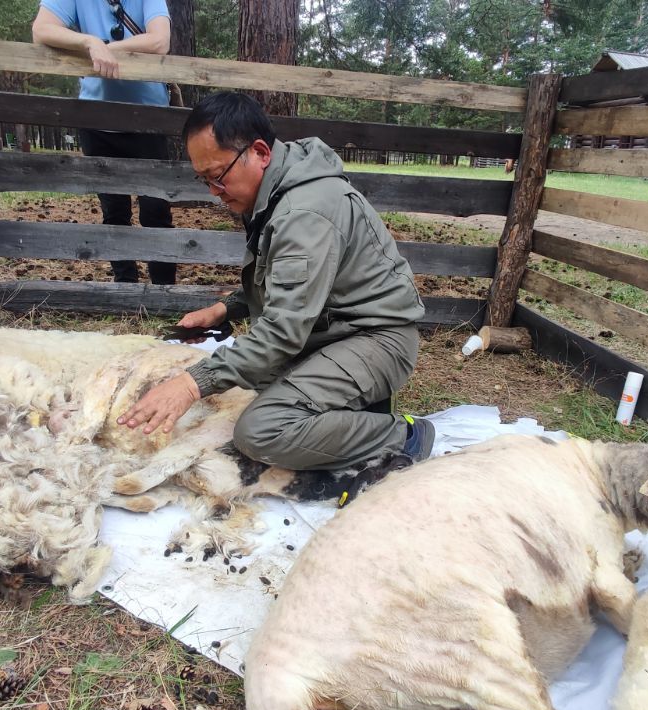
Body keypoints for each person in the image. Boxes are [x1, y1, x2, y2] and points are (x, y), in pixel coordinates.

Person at [118, 92, 435, 471]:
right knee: (251, 382)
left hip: (375, 338)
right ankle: (351, 408)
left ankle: (403, 434)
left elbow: (283, 330)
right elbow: (291, 282)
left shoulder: (304, 213)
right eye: (203, 180)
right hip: (335, 330)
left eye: (218, 176)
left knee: (261, 431)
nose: (213, 192)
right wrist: (225, 308)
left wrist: (191, 384)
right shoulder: (280, 191)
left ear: (260, 153)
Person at [32, 0, 177, 284]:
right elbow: (41, 30)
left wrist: (107, 48)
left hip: (148, 119)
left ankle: (164, 290)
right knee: (114, 211)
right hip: (97, 119)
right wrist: (89, 42)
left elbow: (160, 40)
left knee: (156, 209)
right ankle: (125, 287)